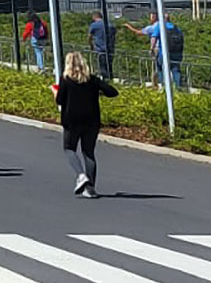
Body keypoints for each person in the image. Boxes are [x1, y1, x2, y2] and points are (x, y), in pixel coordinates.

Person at [55, 51, 119, 198]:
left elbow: (60, 100)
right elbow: (113, 92)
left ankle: (80, 175)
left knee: (69, 148)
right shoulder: (92, 80)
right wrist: (99, 93)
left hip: (72, 121)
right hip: (92, 121)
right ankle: (90, 189)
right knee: (88, 152)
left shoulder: (65, 80)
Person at [125, 12, 185, 89]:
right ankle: (178, 87)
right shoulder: (176, 28)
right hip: (177, 53)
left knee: (161, 69)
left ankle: (164, 86)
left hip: (163, 53)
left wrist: (151, 49)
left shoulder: (159, 26)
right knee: (176, 70)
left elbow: (154, 38)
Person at [87, 12, 116, 80]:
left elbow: (89, 36)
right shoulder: (110, 25)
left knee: (102, 66)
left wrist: (91, 45)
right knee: (109, 65)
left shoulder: (94, 25)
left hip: (100, 48)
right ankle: (110, 78)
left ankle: (106, 80)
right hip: (110, 48)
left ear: (94, 17)